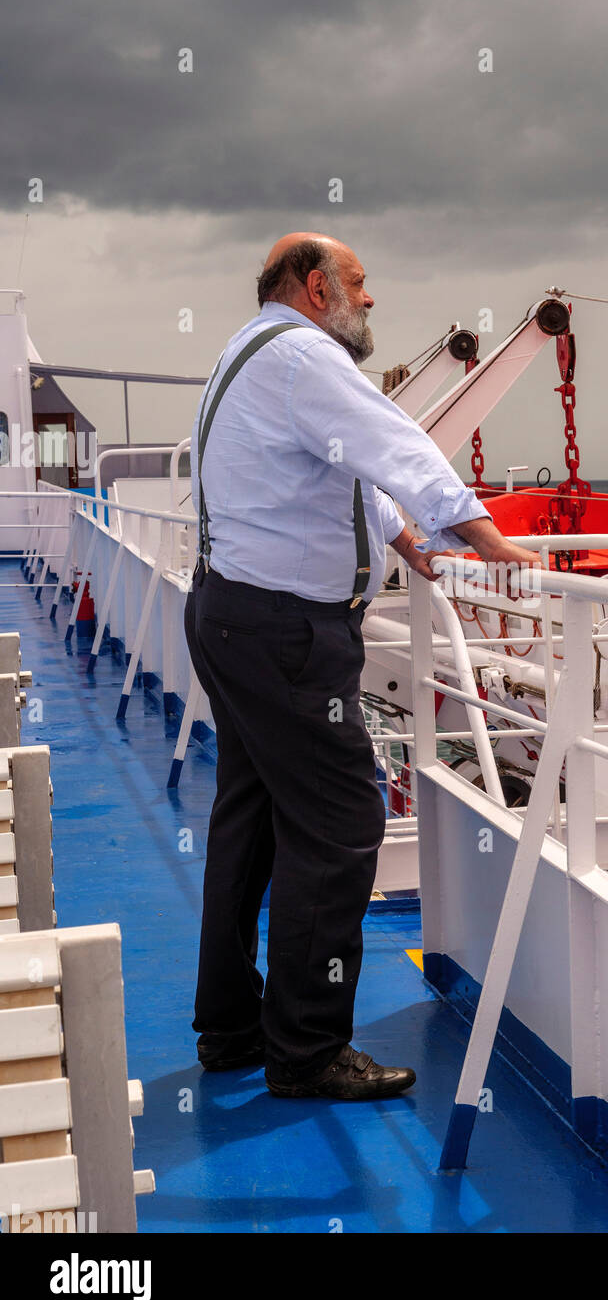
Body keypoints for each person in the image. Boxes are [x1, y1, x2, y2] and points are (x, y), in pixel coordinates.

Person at [185, 231, 539, 1100]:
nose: (369, 298)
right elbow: (393, 442)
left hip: (235, 618)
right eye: (357, 281)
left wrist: (402, 535)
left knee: (252, 819)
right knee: (341, 823)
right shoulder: (305, 355)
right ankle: (304, 1053)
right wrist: (482, 537)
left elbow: (329, 467)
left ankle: (230, 1030)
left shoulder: (250, 350)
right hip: (284, 635)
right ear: (315, 287)